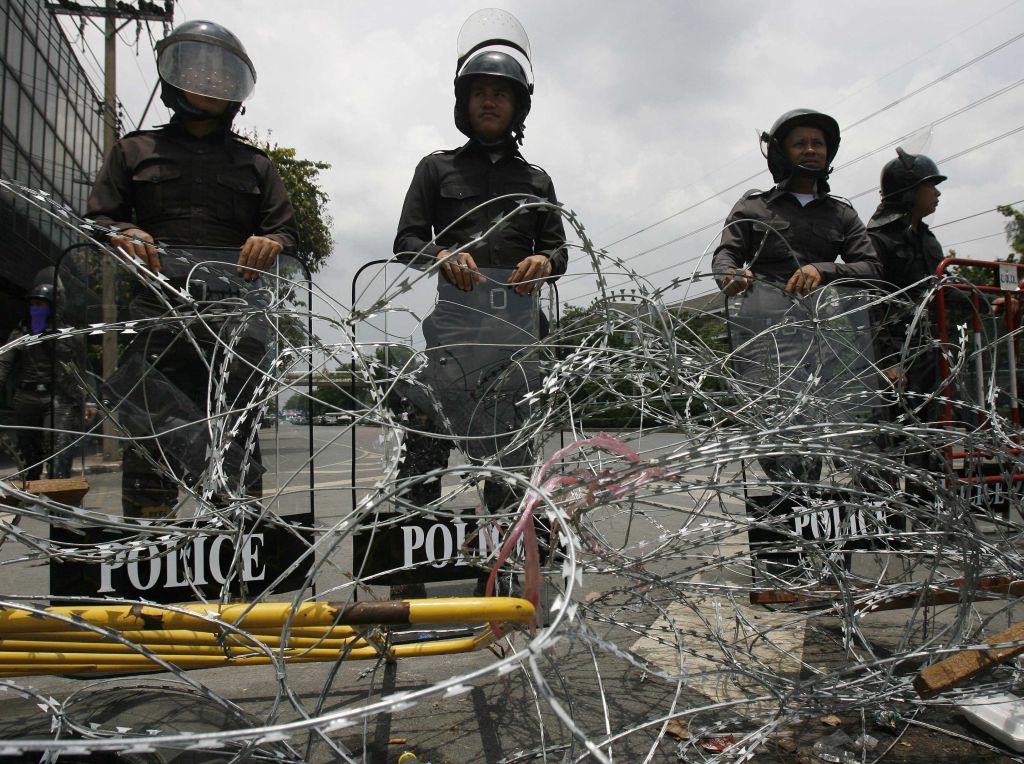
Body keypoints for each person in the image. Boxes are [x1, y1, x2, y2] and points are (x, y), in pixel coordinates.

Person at [86, 20, 297, 517]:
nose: (210, 79)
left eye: (221, 73)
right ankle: (150, 545)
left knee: (236, 444)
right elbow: (97, 218)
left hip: (232, 324)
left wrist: (270, 242)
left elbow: (287, 232)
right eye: (198, 69)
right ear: (174, 76)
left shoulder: (256, 165)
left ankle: (236, 546)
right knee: (151, 447)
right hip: (158, 318)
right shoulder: (133, 150)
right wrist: (124, 231)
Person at [391, 9, 567, 596]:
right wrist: (441, 254)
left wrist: (545, 262)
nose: (490, 101)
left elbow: (559, 250)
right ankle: (409, 575)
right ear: (464, 103)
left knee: (509, 459)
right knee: (426, 446)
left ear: (518, 106)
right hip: (454, 334)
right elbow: (406, 241)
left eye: (501, 94)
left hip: (517, 336)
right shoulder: (435, 169)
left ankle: (503, 576)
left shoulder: (537, 180)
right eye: (480, 93)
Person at [0, 280, 90, 480]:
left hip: (57, 397)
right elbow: (4, 362)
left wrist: (84, 401)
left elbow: (79, 370)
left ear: (52, 307)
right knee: (29, 456)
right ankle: (31, 493)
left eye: (40, 305)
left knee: (59, 451)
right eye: (33, 304)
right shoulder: (21, 332)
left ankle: (59, 495)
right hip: (26, 397)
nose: (36, 309)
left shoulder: (67, 334)